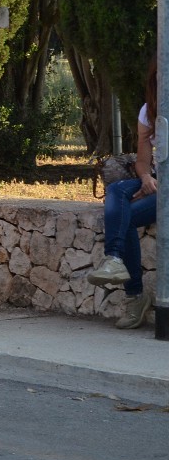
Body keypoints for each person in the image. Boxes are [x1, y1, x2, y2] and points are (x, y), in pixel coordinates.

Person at [86, 60, 157, 329]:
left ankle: (134, 295)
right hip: (158, 182)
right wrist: (146, 178)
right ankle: (114, 260)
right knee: (116, 191)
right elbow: (143, 160)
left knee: (122, 217)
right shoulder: (148, 112)